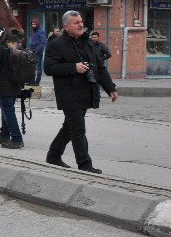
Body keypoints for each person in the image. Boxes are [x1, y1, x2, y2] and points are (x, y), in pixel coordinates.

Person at [44, 10, 118, 174]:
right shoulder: (56, 44)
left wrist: (110, 88)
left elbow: (99, 68)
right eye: (76, 22)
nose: (80, 25)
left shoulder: (87, 43)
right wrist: (73, 67)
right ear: (66, 26)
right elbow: (49, 68)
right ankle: (85, 164)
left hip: (86, 91)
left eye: (81, 22)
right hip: (68, 93)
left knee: (69, 128)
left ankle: (53, 155)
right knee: (78, 129)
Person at [28, 18, 47, 85]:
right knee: (31, 67)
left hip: (38, 52)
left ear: (37, 24)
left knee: (38, 68)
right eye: (32, 24)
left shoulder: (41, 31)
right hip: (31, 52)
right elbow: (32, 41)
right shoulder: (33, 31)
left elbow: (43, 43)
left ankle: (37, 82)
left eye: (34, 24)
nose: (33, 25)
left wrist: (37, 50)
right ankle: (31, 81)